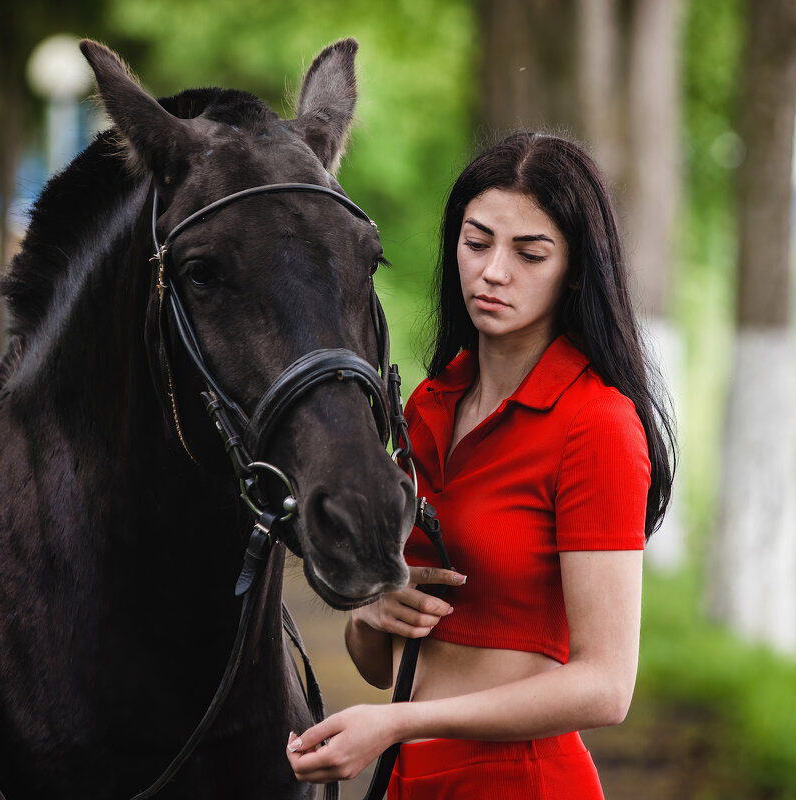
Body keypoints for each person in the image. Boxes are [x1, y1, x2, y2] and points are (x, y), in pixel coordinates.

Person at [285, 131, 676, 798]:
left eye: (530, 253)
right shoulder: (430, 407)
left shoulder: (595, 424)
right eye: (477, 242)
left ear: (575, 269)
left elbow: (607, 688)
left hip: (521, 781)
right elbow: (382, 666)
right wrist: (371, 617)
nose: (494, 271)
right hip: (412, 779)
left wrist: (399, 724)